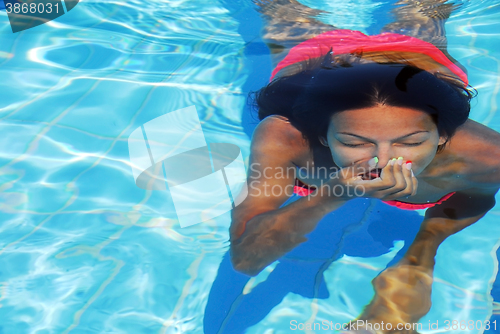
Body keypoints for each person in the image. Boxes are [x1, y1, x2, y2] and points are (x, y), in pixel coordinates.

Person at [229, 0, 500, 331]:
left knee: (425, 9)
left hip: (414, 57)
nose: (383, 161)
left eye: (412, 141)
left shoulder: (486, 155)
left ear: (443, 134)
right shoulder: (287, 138)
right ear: (324, 137)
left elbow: (476, 196)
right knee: (277, 8)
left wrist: (421, 252)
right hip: (316, 58)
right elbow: (245, 259)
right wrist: (332, 194)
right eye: (354, 142)